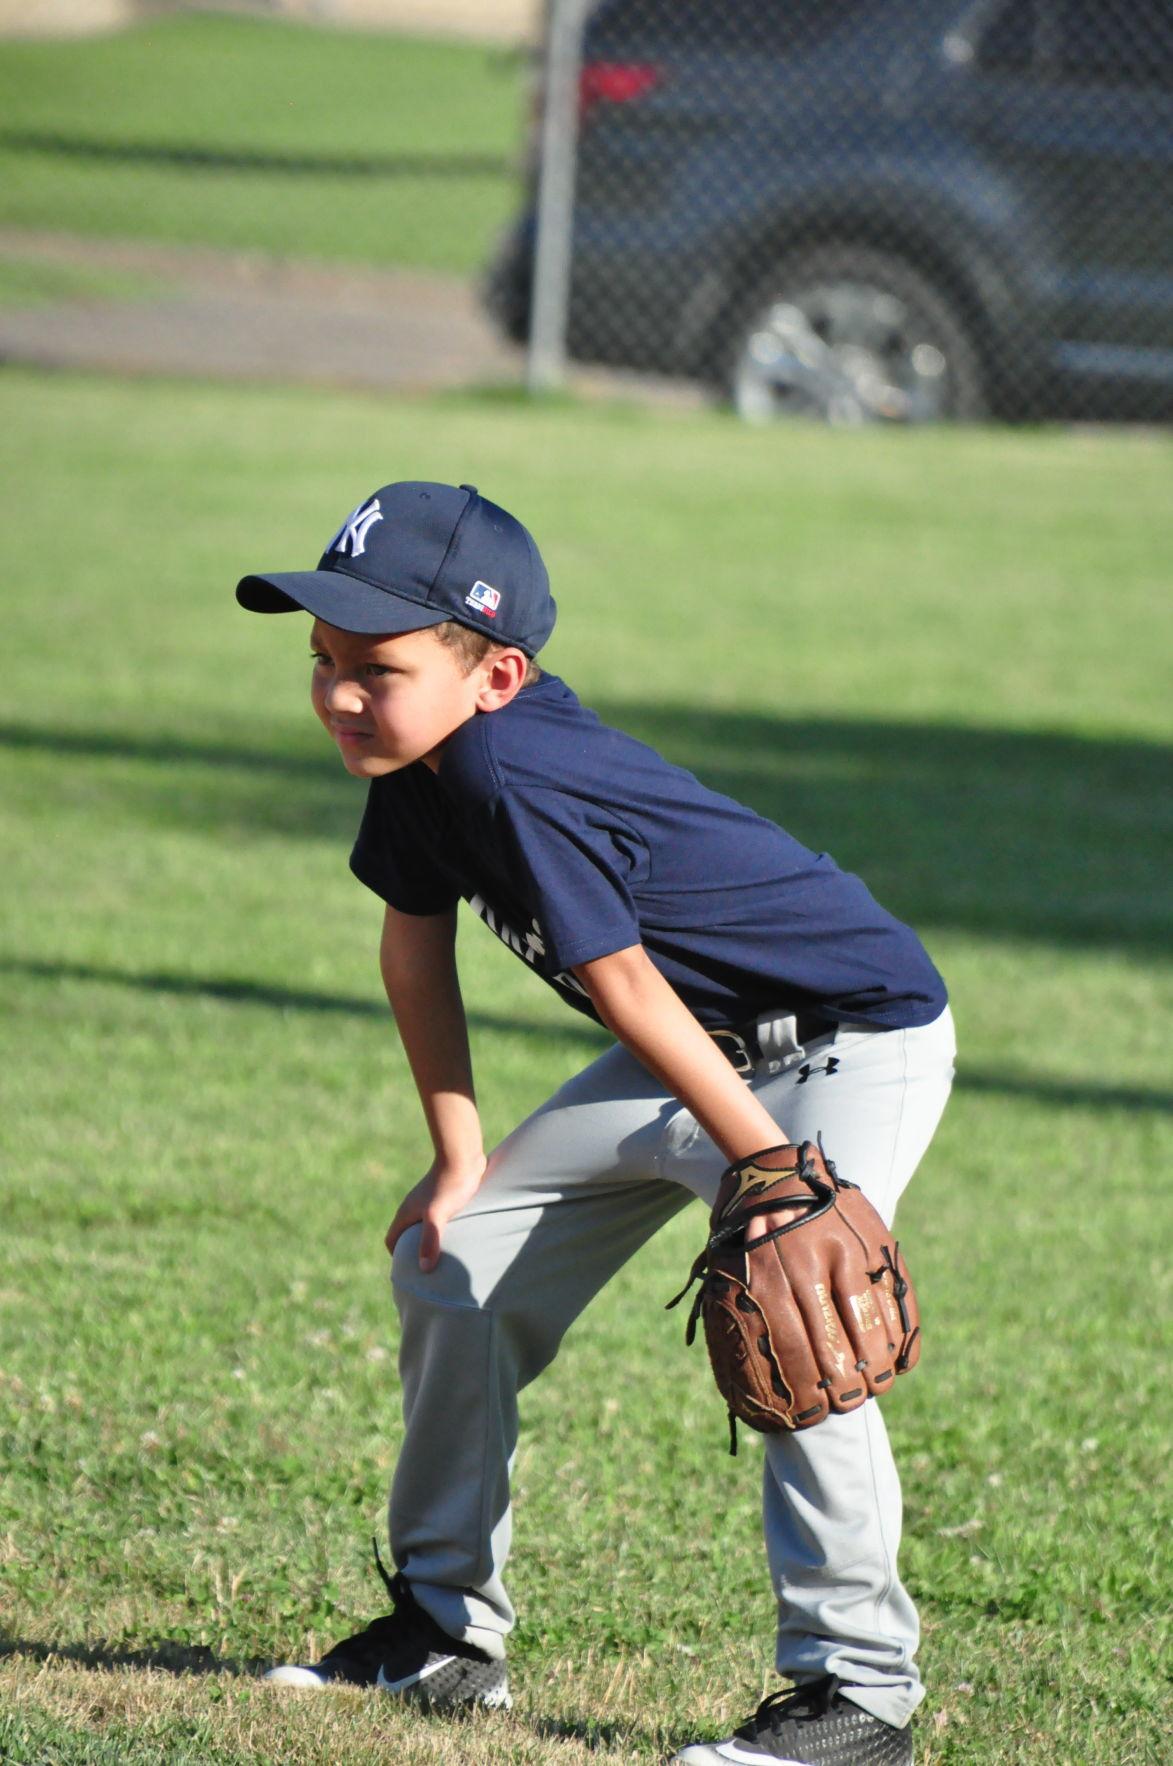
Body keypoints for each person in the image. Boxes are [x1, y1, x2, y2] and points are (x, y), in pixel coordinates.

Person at [236, 481, 955, 1766]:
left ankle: (858, 1694)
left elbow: (625, 982)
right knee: (455, 1262)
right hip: (689, 1051)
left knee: (798, 1299)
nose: (341, 692)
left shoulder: (514, 770)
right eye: (322, 658)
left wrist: (775, 1175)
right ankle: (444, 1634)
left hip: (854, 1036)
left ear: (495, 673)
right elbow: (414, 947)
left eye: (376, 665)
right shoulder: (418, 756)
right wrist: (461, 1155)